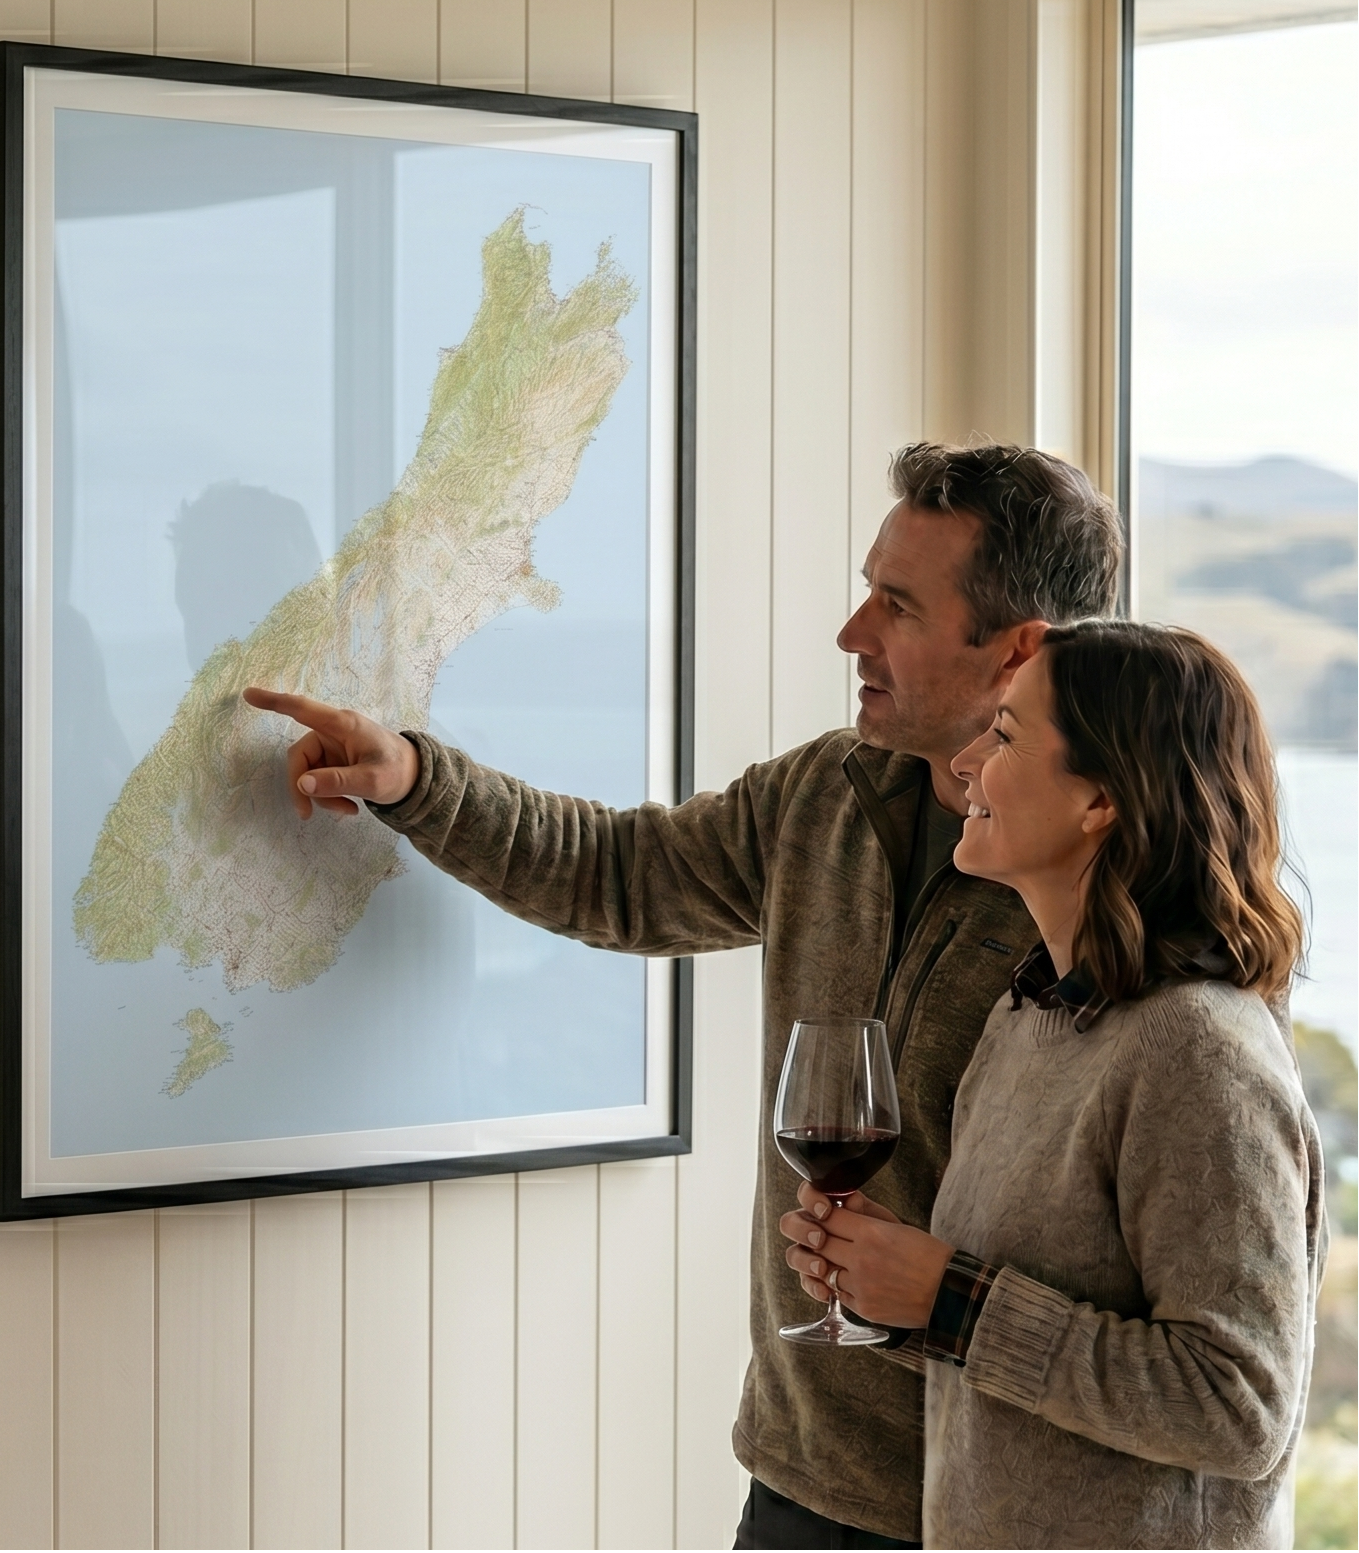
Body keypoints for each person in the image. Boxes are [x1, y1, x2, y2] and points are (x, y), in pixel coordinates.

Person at [243, 442, 1123, 1549]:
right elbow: (623, 874)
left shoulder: (1123, 885)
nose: (852, 633)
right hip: (806, 1474)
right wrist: (418, 782)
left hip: (1013, 1507)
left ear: (1017, 652)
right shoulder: (827, 794)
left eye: (895, 606)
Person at [779, 621, 1325, 1549]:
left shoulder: (1198, 1050)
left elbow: (1238, 1405)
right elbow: (1014, 1338)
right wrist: (891, 1288)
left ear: (1100, 800)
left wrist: (949, 1298)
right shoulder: (1027, 1013)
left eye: (1003, 735)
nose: (964, 762)